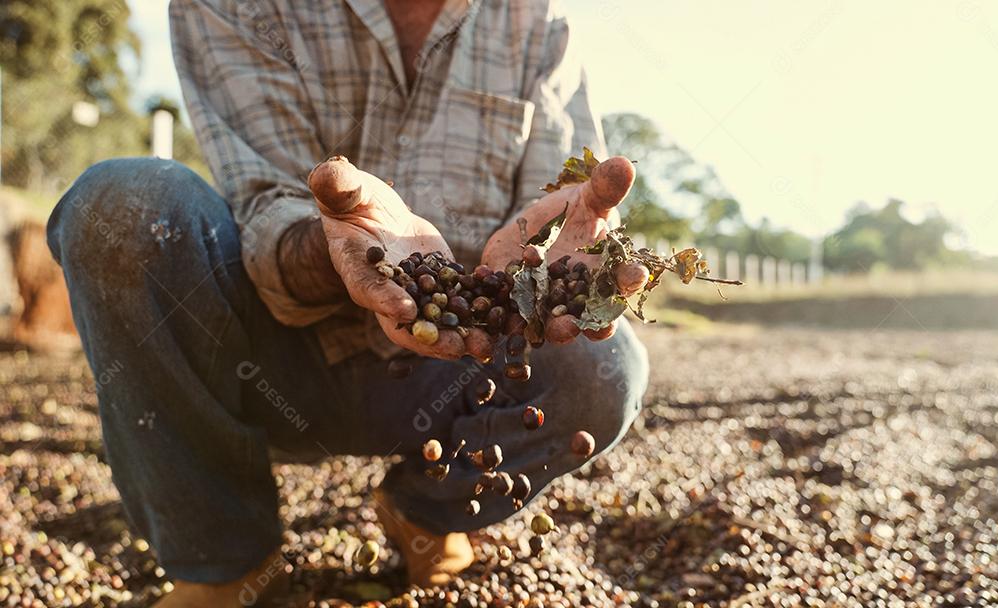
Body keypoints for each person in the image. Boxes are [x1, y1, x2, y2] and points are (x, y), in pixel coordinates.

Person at [47, 0, 650, 605]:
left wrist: (559, 273)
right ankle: (224, 564)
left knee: (606, 366)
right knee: (122, 205)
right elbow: (265, 208)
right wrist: (341, 246)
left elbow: (555, 217)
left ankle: (427, 513)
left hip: (462, 367)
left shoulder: (536, 24)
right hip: (269, 362)